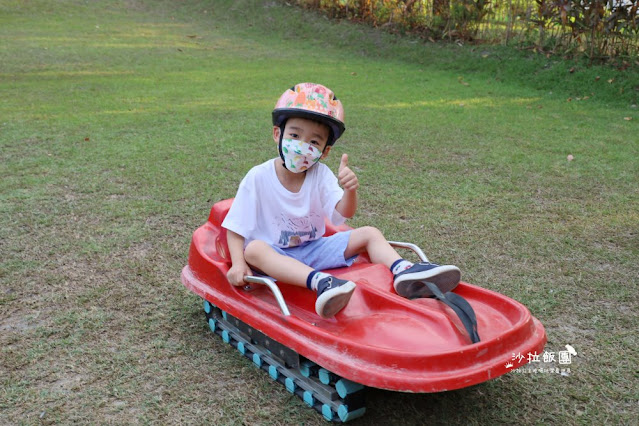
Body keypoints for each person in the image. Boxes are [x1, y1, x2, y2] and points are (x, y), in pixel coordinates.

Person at [222, 83, 461, 318]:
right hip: (275, 255)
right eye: (295, 135)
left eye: (314, 142)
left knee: (369, 232)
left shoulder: (321, 175)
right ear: (278, 134)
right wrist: (237, 263)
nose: (303, 146)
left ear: (325, 151)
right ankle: (322, 282)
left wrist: (350, 190)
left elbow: (342, 213)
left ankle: (403, 270)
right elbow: (236, 226)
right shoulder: (258, 177)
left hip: (313, 248)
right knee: (253, 250)